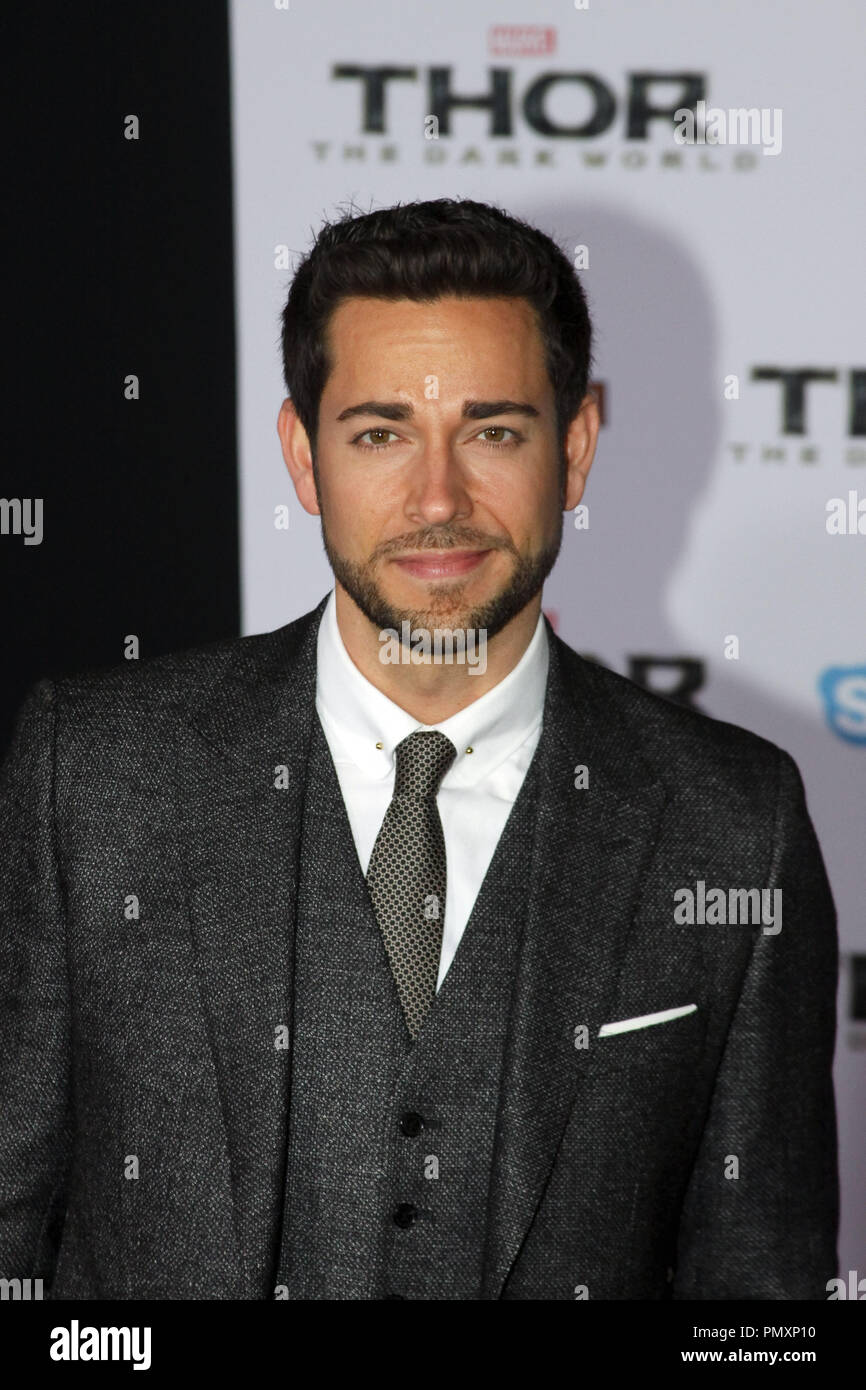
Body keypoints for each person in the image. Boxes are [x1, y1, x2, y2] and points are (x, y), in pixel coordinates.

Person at [0, 198, 838, 1300]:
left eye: (493, 432)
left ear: (575, 446)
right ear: (303, 456)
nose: (437, 499)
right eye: (380, 434)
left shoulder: (731, 820)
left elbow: (761, 1300)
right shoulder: (97, 773)